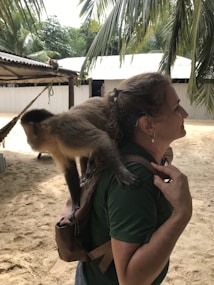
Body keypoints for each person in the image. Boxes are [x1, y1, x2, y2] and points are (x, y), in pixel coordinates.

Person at [74, 72, 192, 285]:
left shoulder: (124, 151)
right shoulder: (133, 180)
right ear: (148, 125)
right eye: (175, 108)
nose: (185, 113)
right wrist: (182, 213)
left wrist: (160, 155)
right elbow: (130, 280)